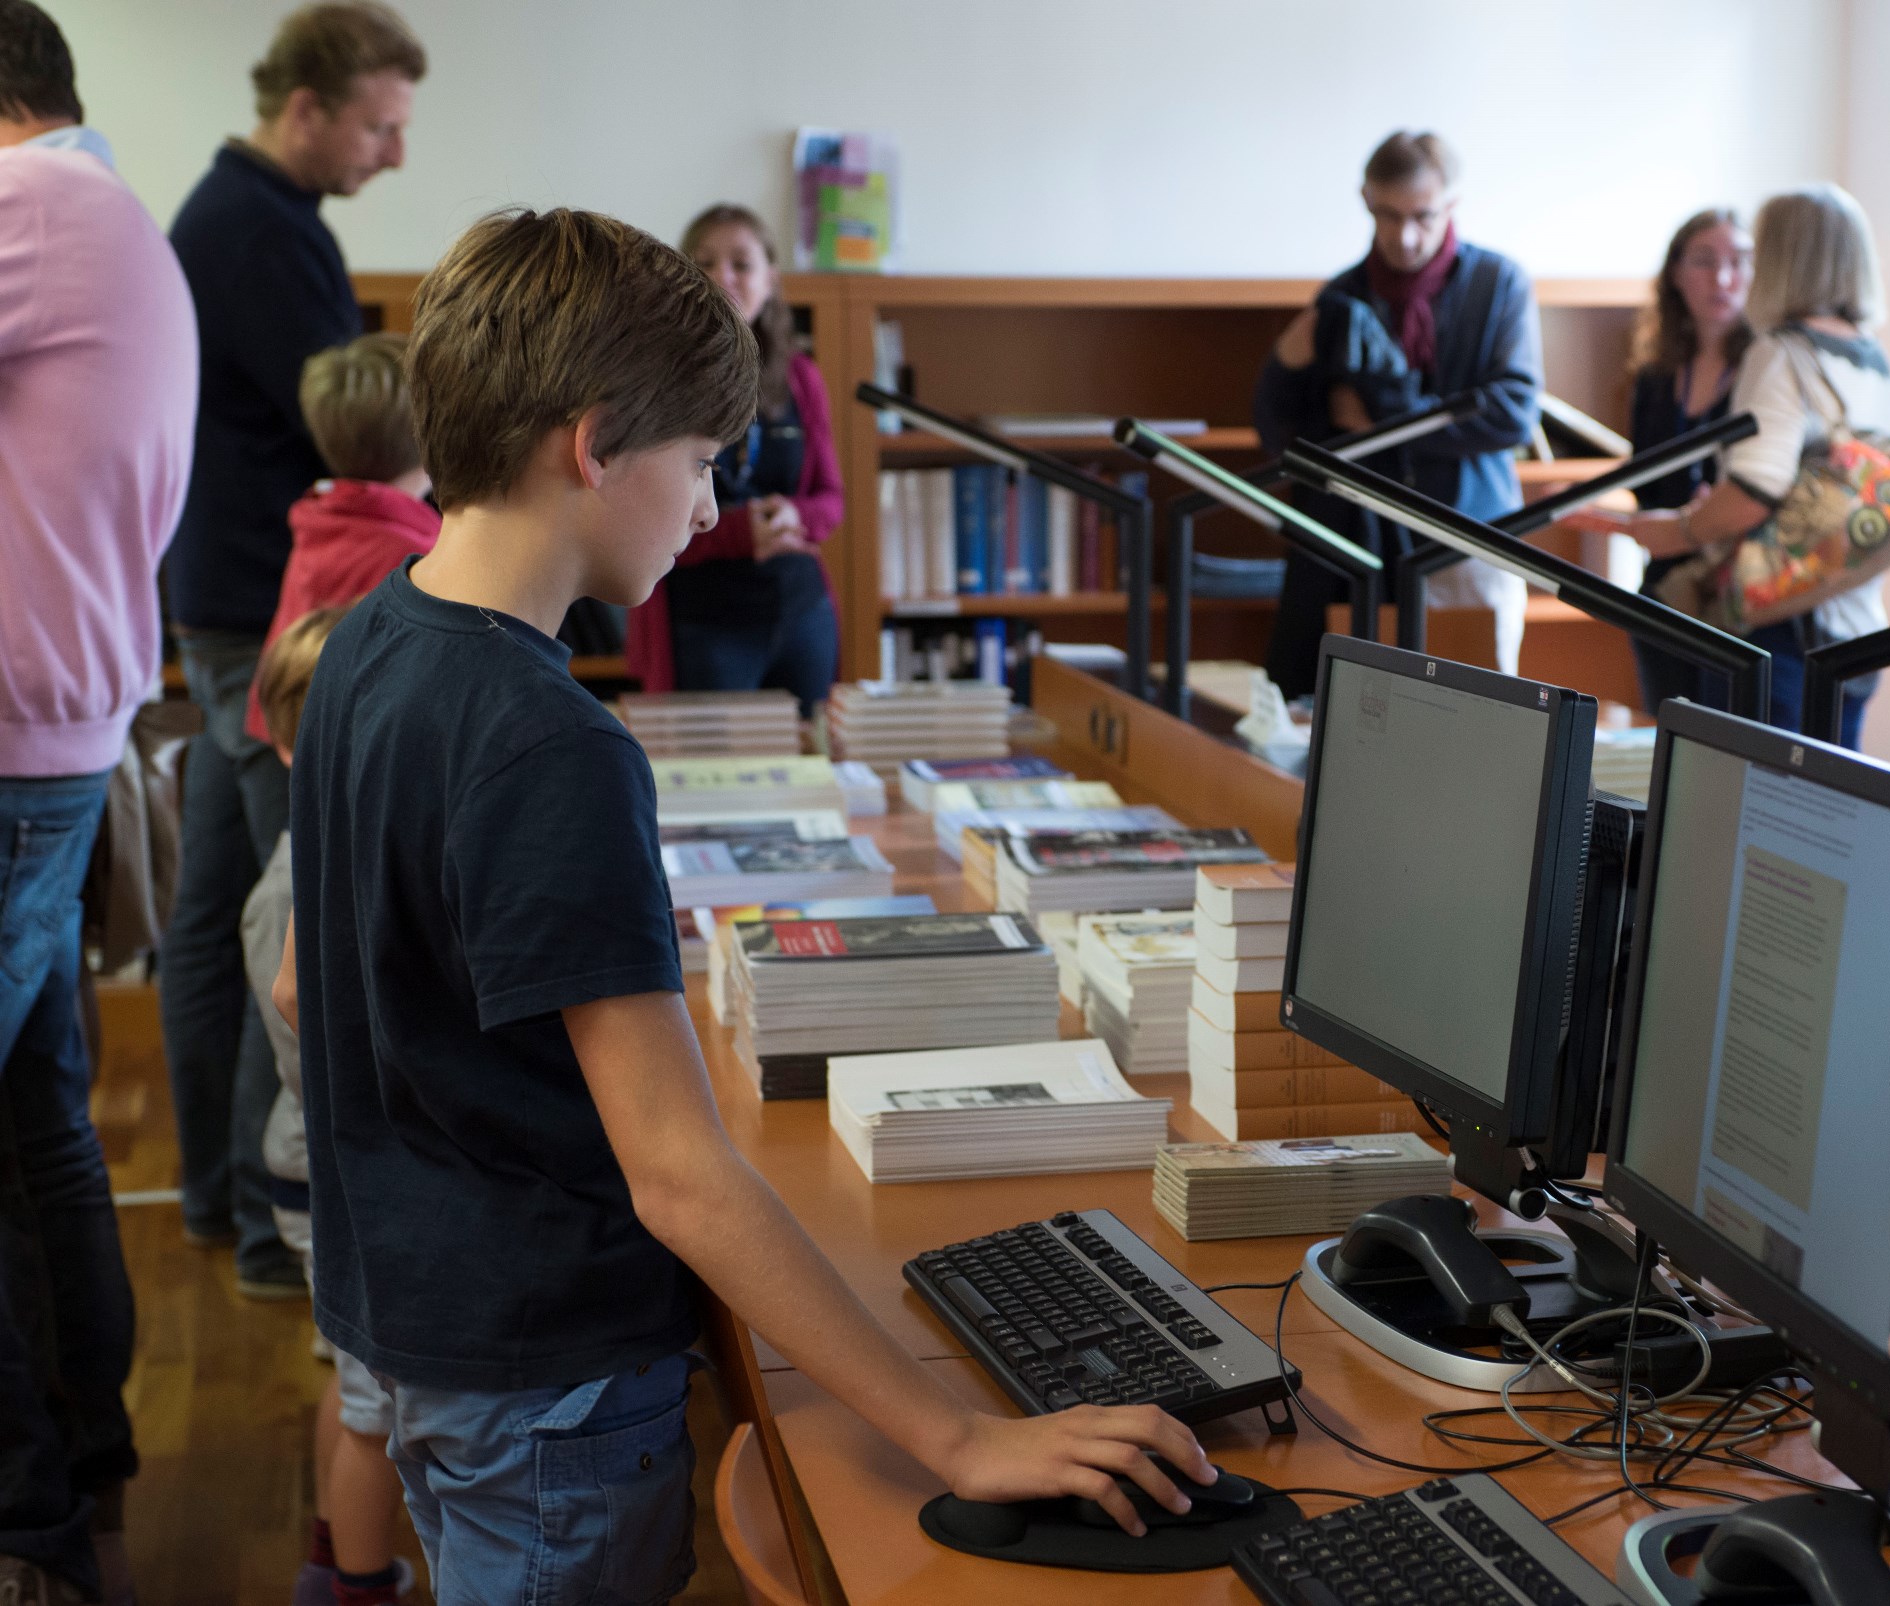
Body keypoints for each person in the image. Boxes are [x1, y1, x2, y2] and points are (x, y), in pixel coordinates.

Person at [275, 208, 1211, 1599]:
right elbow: (677, 1171)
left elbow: (304, 983)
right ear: (592, 447)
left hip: (412, 1330)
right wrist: (957, 1433)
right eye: (701, 462)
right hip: (552, 1381)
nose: (712, 507)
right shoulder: (549, 740)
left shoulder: (367, 641)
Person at [158, 1, 423, 1299]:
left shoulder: (254, 220)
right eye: (379, 124)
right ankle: (271, 1228)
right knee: (291, 919)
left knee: (217, 913)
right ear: (305, 107)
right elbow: (351, 426)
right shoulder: (251, 231)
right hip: (278, 626)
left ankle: (219, 1202)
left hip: (239, 608)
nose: (393, 154)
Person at [0, 3, 199, 1599]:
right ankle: (83, 1449)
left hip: (11, 743)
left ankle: (25, 1523)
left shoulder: (34, 205)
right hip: (56, 735)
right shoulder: (113, 213)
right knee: (39, 1121)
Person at [1562, 185, 1890, 747]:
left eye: (1753, 252)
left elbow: (1754, 491)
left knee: (1729, 805)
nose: (1738, 272)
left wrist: (1681, 529)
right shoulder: (1866, 356)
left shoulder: (1779, 354)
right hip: (1846, 617)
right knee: (1827, 812)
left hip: (1774, 622)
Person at [244, 610, 415, 1606]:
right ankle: (353, 1583)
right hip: (332, 1175)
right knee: (373, 1409)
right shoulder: (298, 884)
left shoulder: (316, 843)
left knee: (352, 1379)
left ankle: (327, 1546)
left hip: (320, 1168)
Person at [1256, 131, 1542, 696]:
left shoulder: (1498, 282)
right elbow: (1287, 428)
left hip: (1469, 539)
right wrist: (1283, 368)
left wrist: (1387, 422)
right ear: (1366, 199)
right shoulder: (1343, 295)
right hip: (1368, 547)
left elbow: (1513, 413)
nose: (1405, 236)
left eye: (1423, 216)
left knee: (1477, 724)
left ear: (1452, 206)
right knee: (1365, 717)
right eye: (1388, 216)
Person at [624, 204, 845, 713]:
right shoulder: (659, 380)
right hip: (705, 616)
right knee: (716, 778)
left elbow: (831, 501)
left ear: (771, 277)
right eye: (703, 263)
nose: (723, 276)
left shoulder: (801, 378)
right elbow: (645, 516)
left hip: (800, 610)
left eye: (741, 264)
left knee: (812, 766)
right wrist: (742, 531)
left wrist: (794, 517)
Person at [241, 333, 439, 746]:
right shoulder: (418, 554)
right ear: (429, 434)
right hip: (353, 757)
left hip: (288, 740)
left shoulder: (319, 520)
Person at [1616, 208, 1755, 716]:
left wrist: (1713, 512)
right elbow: (1644, 486)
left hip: (1738, 594)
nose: (1723, 278)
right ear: (1676, 274)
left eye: (1740, 261)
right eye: (1704, 261)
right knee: (1666, 741)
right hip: (1665, 588)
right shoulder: (1654, 376)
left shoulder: (1764, 370)